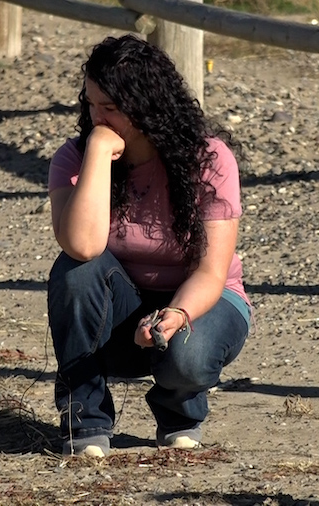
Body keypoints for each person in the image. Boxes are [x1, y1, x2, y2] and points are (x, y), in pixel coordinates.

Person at [47, 34, 252, 458]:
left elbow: (211, 272)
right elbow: (83, 247)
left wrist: (176, 314)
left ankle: (179, 410)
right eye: (90, 103)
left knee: (188, 357)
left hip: (203, 301)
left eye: (111, 108)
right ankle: (84, 420)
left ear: (147, 106)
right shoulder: (75, 158)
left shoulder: (208, 159)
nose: (95, 116)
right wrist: (100, 152)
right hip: (120, 309)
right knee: (74, 270)